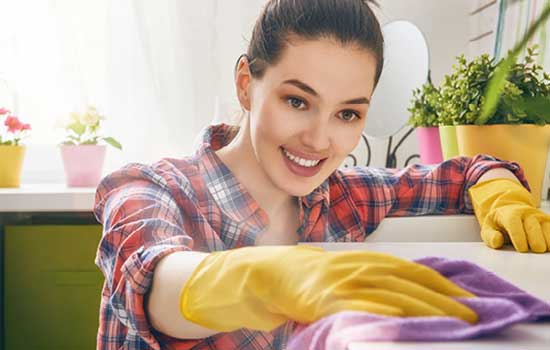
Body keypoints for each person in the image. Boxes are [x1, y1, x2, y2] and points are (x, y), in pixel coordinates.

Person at [93, 0, 550, 349]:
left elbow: (466, 171)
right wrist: (263, 279)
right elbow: (155, 282)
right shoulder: (151, 189)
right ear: (246, 85)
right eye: (297, 101)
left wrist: (498, 188)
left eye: (347, 114)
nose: (318, 139)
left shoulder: (346, 199)